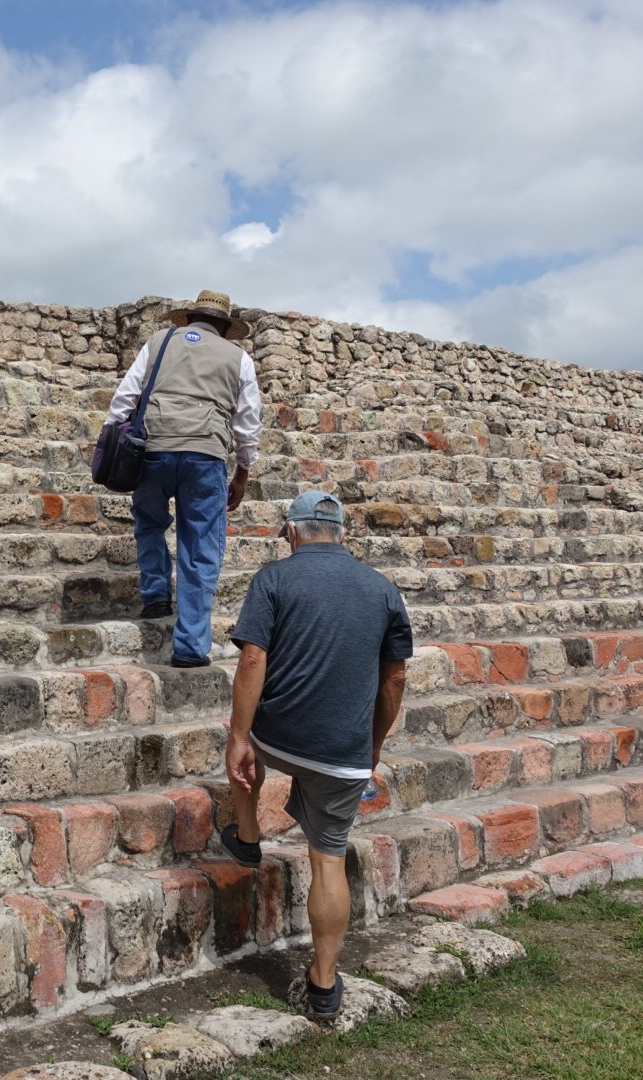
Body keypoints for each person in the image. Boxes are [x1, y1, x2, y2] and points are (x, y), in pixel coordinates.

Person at [220, 489, 412, 1020]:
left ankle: (248, 836)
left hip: (278, 736)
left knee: (243, 747)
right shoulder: (383, 589)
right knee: (328, 858)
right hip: (343, 753)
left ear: (291, 533)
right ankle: (324, 986)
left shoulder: (273, 579)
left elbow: (253, 658)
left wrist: (240, 736)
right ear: (343, 534)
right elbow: (395, 678)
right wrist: (372, 746)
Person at [106, 289, 262, 667]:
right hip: (205, 455)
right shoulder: (238, 358)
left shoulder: (159, 342)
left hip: (152, 450)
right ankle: (190, 646)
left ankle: (156, 596)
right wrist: (242, 474)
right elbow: (247, 425)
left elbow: (124, 399)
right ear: (225, 327)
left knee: (149, 523)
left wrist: (113, 443)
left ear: (190, 318)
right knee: (200, 546)